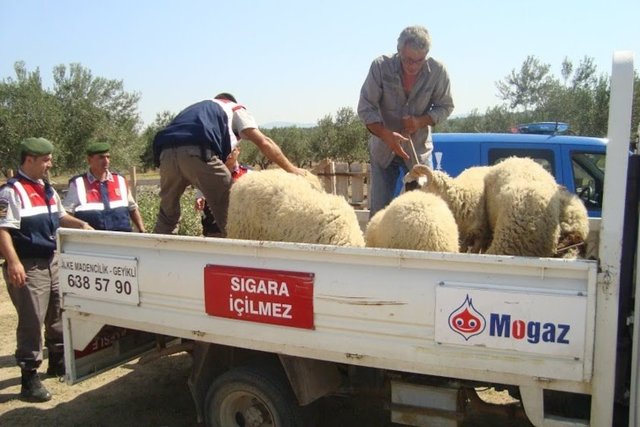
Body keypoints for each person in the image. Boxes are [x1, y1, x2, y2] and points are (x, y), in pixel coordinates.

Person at [0, 137, 93, 402]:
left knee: (57, 312)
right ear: (28, 160)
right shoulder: (12, 191)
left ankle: (57, 362)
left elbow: (60, 216)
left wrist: (81, 225)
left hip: (52, 260)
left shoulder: (46, 188)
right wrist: (15, 262)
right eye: (45, 160)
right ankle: (29, 378)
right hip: (29, 264)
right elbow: (3, 230)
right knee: (32, 319)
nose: (49, 165)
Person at [152, 93, 305, 236]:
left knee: (167, 215)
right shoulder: (235, 109)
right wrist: (291, 169)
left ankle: (156, 255)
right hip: (198, 152)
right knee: (231, 208)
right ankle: (236, 256)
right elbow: (264, 142)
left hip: (165, 154)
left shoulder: (196, 110)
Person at [358, 25, 454, 218]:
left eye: (419, 61)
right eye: (408, 59)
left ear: (426, 54)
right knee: (379, 212)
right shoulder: (380, 66)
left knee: (424, 211)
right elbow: (365, 108)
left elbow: (446, 106)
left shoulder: (438, 71)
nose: (413, 66)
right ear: (399, 50)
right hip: (384, 151)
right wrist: (386, 135)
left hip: (418, 151)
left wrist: (420, 121)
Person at [63, 142, 146, 232]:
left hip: (122, 239)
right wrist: (80, 227)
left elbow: (132, 208)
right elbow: (66, 214)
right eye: (101, 157)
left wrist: (142, 230)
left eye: (108, 157)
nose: (106, 161)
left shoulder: (120, 180)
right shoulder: (78, 183)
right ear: (89, 160)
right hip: (93, 241)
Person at [194, 146, 250, 237]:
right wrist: (199, 197)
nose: (230, 153)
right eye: (227, 149)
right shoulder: (209, 175)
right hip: (214, 230)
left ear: (239, 150)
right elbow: (200, 196)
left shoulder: (249, 174)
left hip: (242, 230)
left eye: (233, 150)